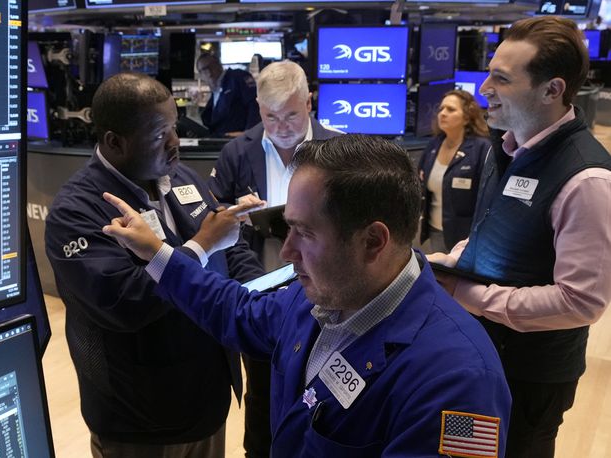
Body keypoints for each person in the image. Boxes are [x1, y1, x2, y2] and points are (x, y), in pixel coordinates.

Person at [102, 135, 511, 457]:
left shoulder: (460, 381)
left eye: (306, 233)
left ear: (372, 241)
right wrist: (158, 254)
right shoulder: (320, 297)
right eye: (288, 229)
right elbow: (237, 310)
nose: (286, 251)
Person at [44, 72, 265, 457]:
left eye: (175, 127)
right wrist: (199, 245)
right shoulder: (76, 211)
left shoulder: (182, 177)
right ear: (115, 141)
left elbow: (228, 246)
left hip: (207, 398)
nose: (175, 142)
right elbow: (124, 302)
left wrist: (265, 290)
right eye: (159, 132)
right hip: (141, 419)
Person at [429, 16, 611, 458]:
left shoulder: (587, 179)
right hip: (477, 353)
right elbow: (495, 231)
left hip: (530, 376)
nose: (484, 88)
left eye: (501, 79)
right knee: (466, 451)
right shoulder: (503, 145)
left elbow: (581, 302)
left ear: (552, 89)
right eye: (489, 72)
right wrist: (452, 262)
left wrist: (470, 294)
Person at [207, 59, 341, 457]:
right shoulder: (237, 151)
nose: (281, 126)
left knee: (321, 391)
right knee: (262, 391)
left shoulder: (339, 150)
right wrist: (234, 215)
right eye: (270, 116)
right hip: (261, 291)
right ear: (259, 109)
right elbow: (216, 221)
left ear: (309, 102)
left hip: (327, 296)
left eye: (291, 115)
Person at [417, 89, 490, 253]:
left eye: (450, 109)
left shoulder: (481, 148)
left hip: (467, 236)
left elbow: (487, 196)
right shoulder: (434, 144)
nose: (442, 114)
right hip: (435, 229)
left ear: (466, 117)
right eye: (441, 109)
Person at [197, 53, 261, 137]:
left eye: (211, 66)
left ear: (219, 65)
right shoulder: (215, 92)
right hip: (220, 141)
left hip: (239, 141)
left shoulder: (238, 77)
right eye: (204, 70)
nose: (209, 72)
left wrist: (249, 134)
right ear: (200, 75)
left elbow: (254, 104)